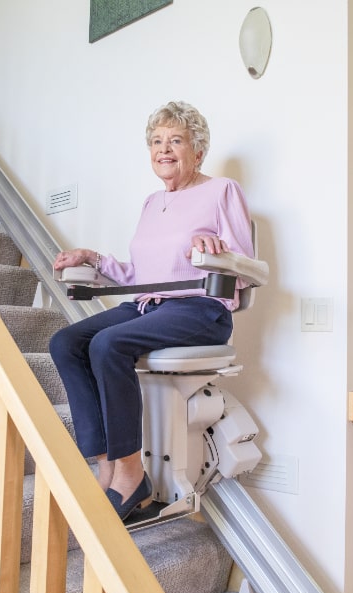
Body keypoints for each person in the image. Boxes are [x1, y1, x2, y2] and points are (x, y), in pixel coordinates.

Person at [49, 101, 254, 521]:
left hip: (200, 310)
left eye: (175, 140)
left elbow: (244, 266)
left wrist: (218, 250)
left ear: (197, 151)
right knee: (66, 342)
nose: (164, 149)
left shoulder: (222, 190)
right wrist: (95, 260)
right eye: (157, 141)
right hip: (149, 305)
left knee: (108, 345)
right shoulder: (151, 203)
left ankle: (130, 474)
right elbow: (139, 275)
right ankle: (105, 461)